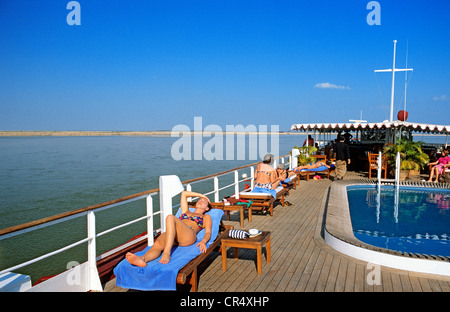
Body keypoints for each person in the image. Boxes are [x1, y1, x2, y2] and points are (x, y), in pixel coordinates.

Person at [125, 191, 212, 266]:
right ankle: (143, 259)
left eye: (204, 201)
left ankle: (167, 253)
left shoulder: (205, 217)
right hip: (174, 234)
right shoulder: (186, 211)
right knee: (158, 244)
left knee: (170, 217)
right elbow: (184, 194)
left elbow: (208, 232)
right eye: (200, 199)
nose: (200, 200)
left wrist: (203, 241)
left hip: (188, 235)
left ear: (207, 208)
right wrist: (201, 195)